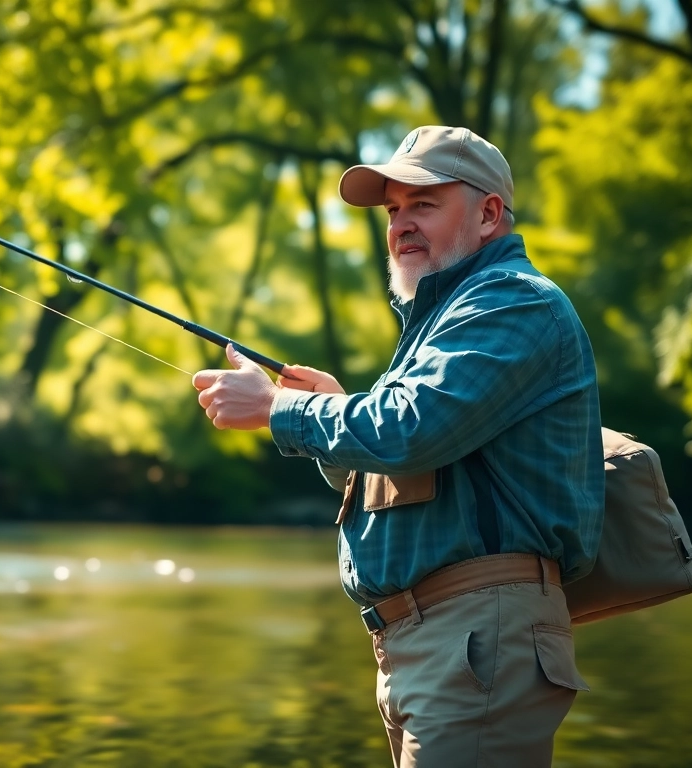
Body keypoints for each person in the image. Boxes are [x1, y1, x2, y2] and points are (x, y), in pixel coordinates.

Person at [192, 125, 603, 767]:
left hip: (476, 639)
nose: (401, 224)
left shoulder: (512, 304)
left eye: (424, 204)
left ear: (489, 213)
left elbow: (410, 431)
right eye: (393, 210)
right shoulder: (442, 319)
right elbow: (419, 469)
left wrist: (281, 409)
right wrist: (329, 412)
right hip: (437, 645)